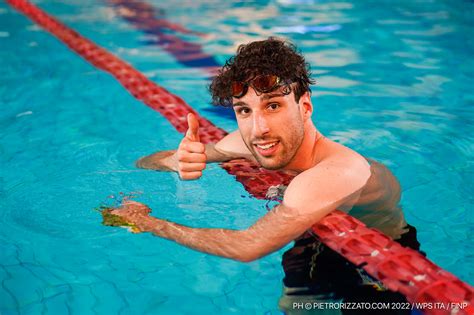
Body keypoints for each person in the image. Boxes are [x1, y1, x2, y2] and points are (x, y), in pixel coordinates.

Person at [110, 37, 423, 314]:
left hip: (380, 262)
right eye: (244, 110)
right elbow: (145, 162)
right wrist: (176, 161)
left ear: (305, 106)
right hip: (313, 240)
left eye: (273, 105)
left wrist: (147, 224)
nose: (258, 129)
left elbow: (248, 247)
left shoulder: (337, 172)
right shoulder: (248, 142)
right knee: (291, 307)